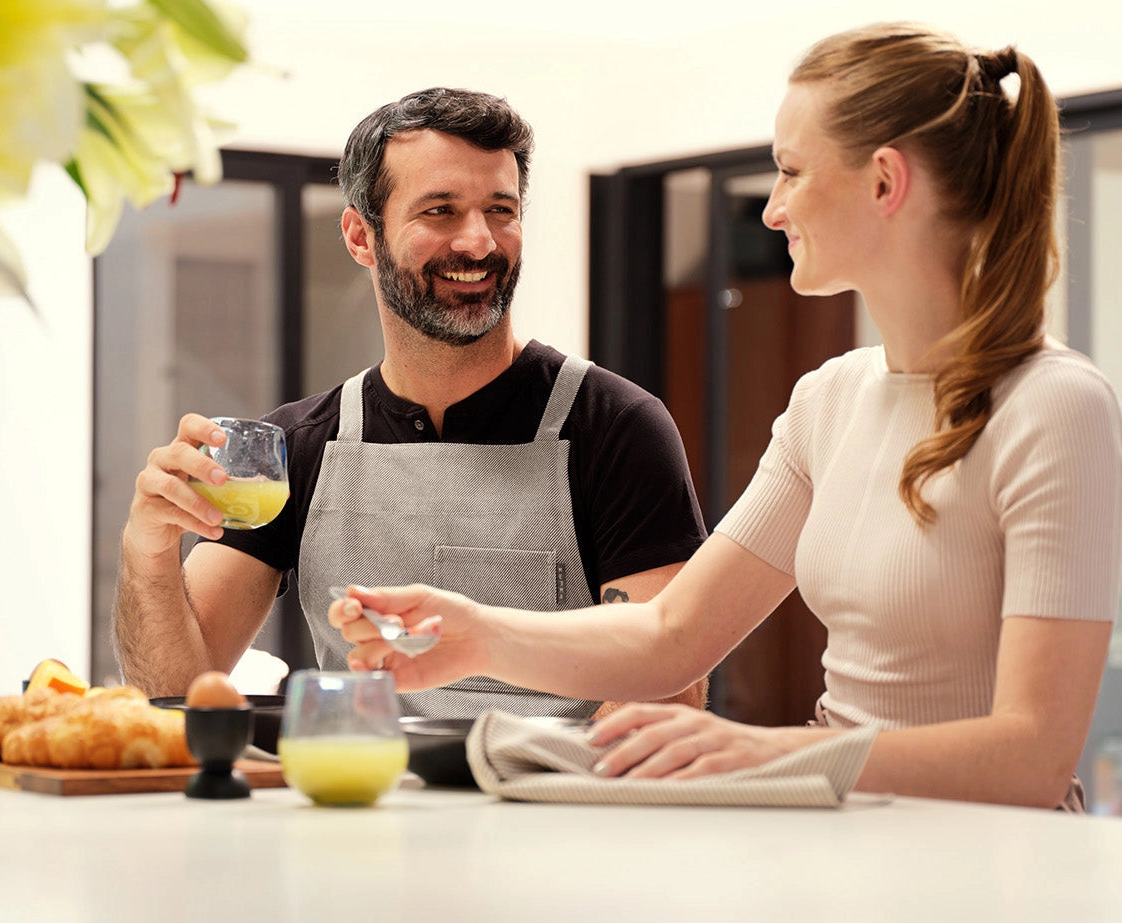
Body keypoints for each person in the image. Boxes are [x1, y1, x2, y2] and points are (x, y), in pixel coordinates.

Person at [332, 24, 1122, 810]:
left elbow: (1031, 756)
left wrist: (771, 751)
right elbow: (671, 633)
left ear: (885, 182)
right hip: (853, 841)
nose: (773, 209)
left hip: (995, 872)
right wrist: (474, 632)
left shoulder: (1054, 407)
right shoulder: (829, 400)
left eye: (790, 171)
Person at [113, 87, 708, 719]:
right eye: (441, 211)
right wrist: (146, 551)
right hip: (355, 799)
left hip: (547, 805)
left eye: (500, 210)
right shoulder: (301, 445)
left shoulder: (615, 428)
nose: (479, 243)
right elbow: (176, 696)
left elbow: (666, 692)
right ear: (360, 236)